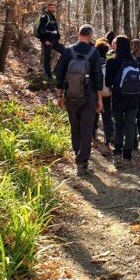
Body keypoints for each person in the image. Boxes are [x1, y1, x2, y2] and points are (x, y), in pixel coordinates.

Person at [54, 25, 104, 176]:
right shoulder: (94, 53)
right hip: (89, 96)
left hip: (70, 95)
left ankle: (77, 155)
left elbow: (59, 74)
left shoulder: (68, 51)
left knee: (74, 127)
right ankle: (82, 164)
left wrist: (59, 96)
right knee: (86, 129)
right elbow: (98, 78)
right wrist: (100, 99)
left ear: (79, 34)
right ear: (90, 36)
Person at [105, 35, 140, 165]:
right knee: (130, 126)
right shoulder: (135, 61)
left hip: (117, 98)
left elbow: (107, 82)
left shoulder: (112, 61)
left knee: (118, 125)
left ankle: (117, 154)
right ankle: (127, 156)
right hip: (133, 99)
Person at [93, 38, 114, 156]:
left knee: (94, 117)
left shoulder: (93, 62)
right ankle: (107, 144)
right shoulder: (108, 64)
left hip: (94, 94)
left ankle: (94, 140)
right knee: (107, 118)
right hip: (106, 95)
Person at [36, 1, 64, 81]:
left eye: (54, 7)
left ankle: (56, 71)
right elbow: (40, 30)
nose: (53, 9)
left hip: (54, 41)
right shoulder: (45, 17)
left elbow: (55, 30)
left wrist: (58, 38)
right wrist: (45, 40)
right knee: (47, 58)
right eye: (51, 7)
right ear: (48, 8)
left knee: (65, 52)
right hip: (48, 41)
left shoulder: (52, 16)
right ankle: (49, 75)